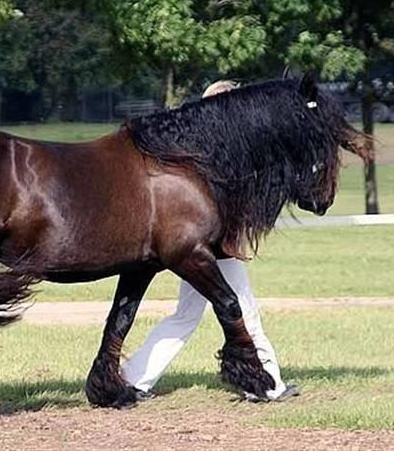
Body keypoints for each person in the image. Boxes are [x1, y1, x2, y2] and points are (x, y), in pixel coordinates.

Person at [120, 80, 299, 402]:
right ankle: (267, 385)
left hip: (200, 250)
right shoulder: (223, 153)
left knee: (185, 316)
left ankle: (134, 379)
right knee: (245, 311)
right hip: (215, 250)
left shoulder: (200, 148)